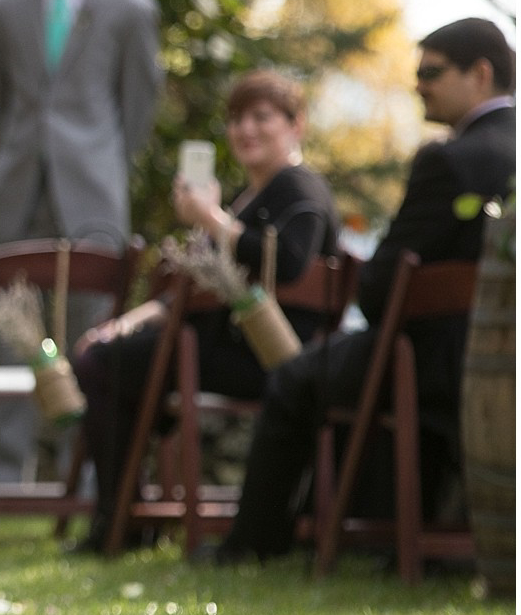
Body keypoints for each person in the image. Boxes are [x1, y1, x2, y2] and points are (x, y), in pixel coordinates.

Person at [210, 18, 515, 564]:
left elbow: (381, 287)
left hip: (434, 360)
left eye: (432, 73)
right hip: (497, 360)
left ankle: (255, 542)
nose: (418, 84)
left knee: (294, 380)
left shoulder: (449, 160)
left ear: (481, 73)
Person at [71, 71, 341, 553]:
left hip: (268, 355)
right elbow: (197, 290)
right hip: (216, 346)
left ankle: (123, 523)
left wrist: (212, 221)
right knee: (105, 355)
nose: (246, 130)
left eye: (262, 118)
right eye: (237, 119)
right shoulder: (247, 196)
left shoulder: (299, 188)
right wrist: (125, 323)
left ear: (295, 125)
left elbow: (290, 263)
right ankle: (127, 517)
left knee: (101, 369)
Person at [0, 0, 163, 481]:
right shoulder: (2, 5)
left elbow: (136, 112)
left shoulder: (132, 9)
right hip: (18, 185)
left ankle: (86, 476)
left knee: (91, 334)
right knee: (14, 325)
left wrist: (96, 162)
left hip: (93, 191)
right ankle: (8, 476)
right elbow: (1, 96)